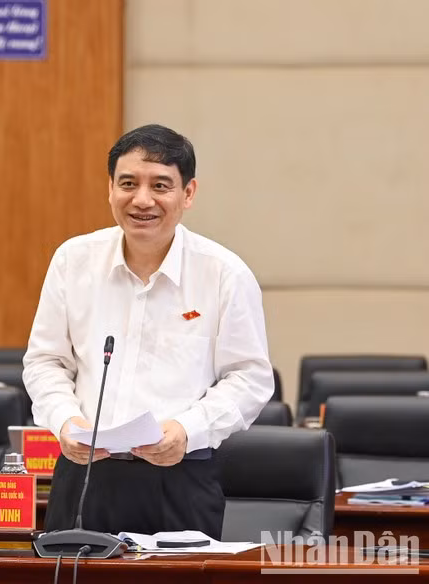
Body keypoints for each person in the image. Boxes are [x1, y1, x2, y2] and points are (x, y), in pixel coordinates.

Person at [22, 124, 274, 538]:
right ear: (110, 189)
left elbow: (250, 378)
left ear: (188, 193)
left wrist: (189, 429)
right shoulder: (73, 260)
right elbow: (45, 361)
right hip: (85, 477)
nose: (142, 200)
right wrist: (65, 421)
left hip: (179, 478)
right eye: (128, 183)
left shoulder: (224, 273)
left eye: (161, 185)